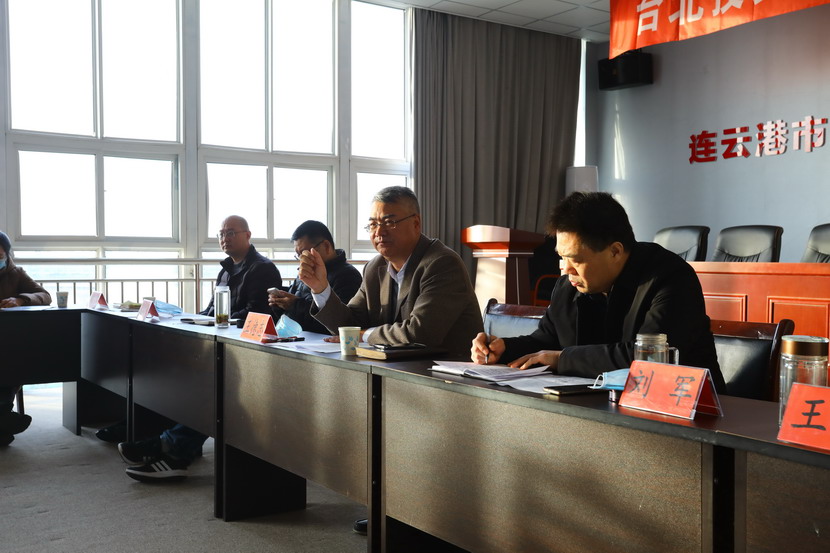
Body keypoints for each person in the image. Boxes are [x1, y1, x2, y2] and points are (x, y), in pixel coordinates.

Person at [471, 192, 726, 393]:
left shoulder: (670, 277)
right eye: (562, 257)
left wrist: (563, 359)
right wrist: (504, 348)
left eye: (575, 259)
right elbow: (547, 340)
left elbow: (648, 358)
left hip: (686, 413)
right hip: (604, 409)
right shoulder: (568, 286)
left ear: (615, 251)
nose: (566, 269)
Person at [116, 215, 282, 481]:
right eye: (221, 233)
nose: (225, 238)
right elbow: (212, 310)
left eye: (231, 232)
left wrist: (216, 320)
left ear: (248, 235)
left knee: (211, 390)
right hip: (221, 345)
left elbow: (258, 314)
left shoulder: (263, 269)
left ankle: (171, 448)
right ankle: (171, 442)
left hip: (246, 353)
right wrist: (192, 319)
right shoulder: (225, 270)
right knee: (180, 376)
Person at [298, 186, 483, 355]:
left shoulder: (442, 263)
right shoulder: (374, 268)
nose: (379, 232)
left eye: (389, 222)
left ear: (416, 223)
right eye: (373, 225)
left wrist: (364, 335)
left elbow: (420, 333)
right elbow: (349, 326)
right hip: (395, 370)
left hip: (443, 373)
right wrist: (321, 288)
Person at [0, 231, 52, 446]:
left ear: (7, 254)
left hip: (6, 340)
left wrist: (20, 300)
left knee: (11, 365)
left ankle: (3, 418)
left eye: (0, 255)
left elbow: (44, 295)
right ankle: (4, 421)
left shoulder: (16, 273)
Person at [269, 220, 362, 335]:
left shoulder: (348, 276)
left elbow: (339, 324)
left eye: (304, 253)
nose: (302, 260)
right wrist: (280, 304)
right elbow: (290, 313)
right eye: (298, 255)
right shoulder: (306, 270)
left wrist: (294, 305)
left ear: (326, 246)